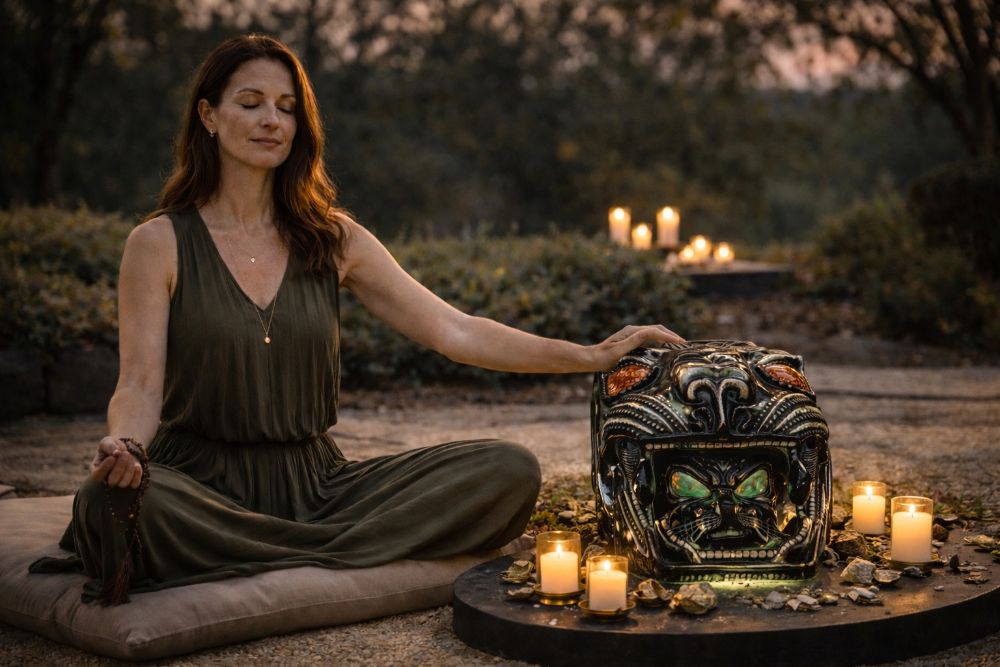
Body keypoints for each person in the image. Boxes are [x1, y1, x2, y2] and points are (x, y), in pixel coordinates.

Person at [30, 34, 683, 605]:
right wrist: (126, 447)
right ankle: (325, 551)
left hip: (319, 489)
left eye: (287, 107)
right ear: (208, 115)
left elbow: (455, 331)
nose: (272, 120)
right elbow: (139, 384)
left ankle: (271, 552)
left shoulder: (333, 238)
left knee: (509, 469)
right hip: (198, 488)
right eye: (251, 103)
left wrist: (589, 355)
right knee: (103, 502)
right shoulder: (158, 243)